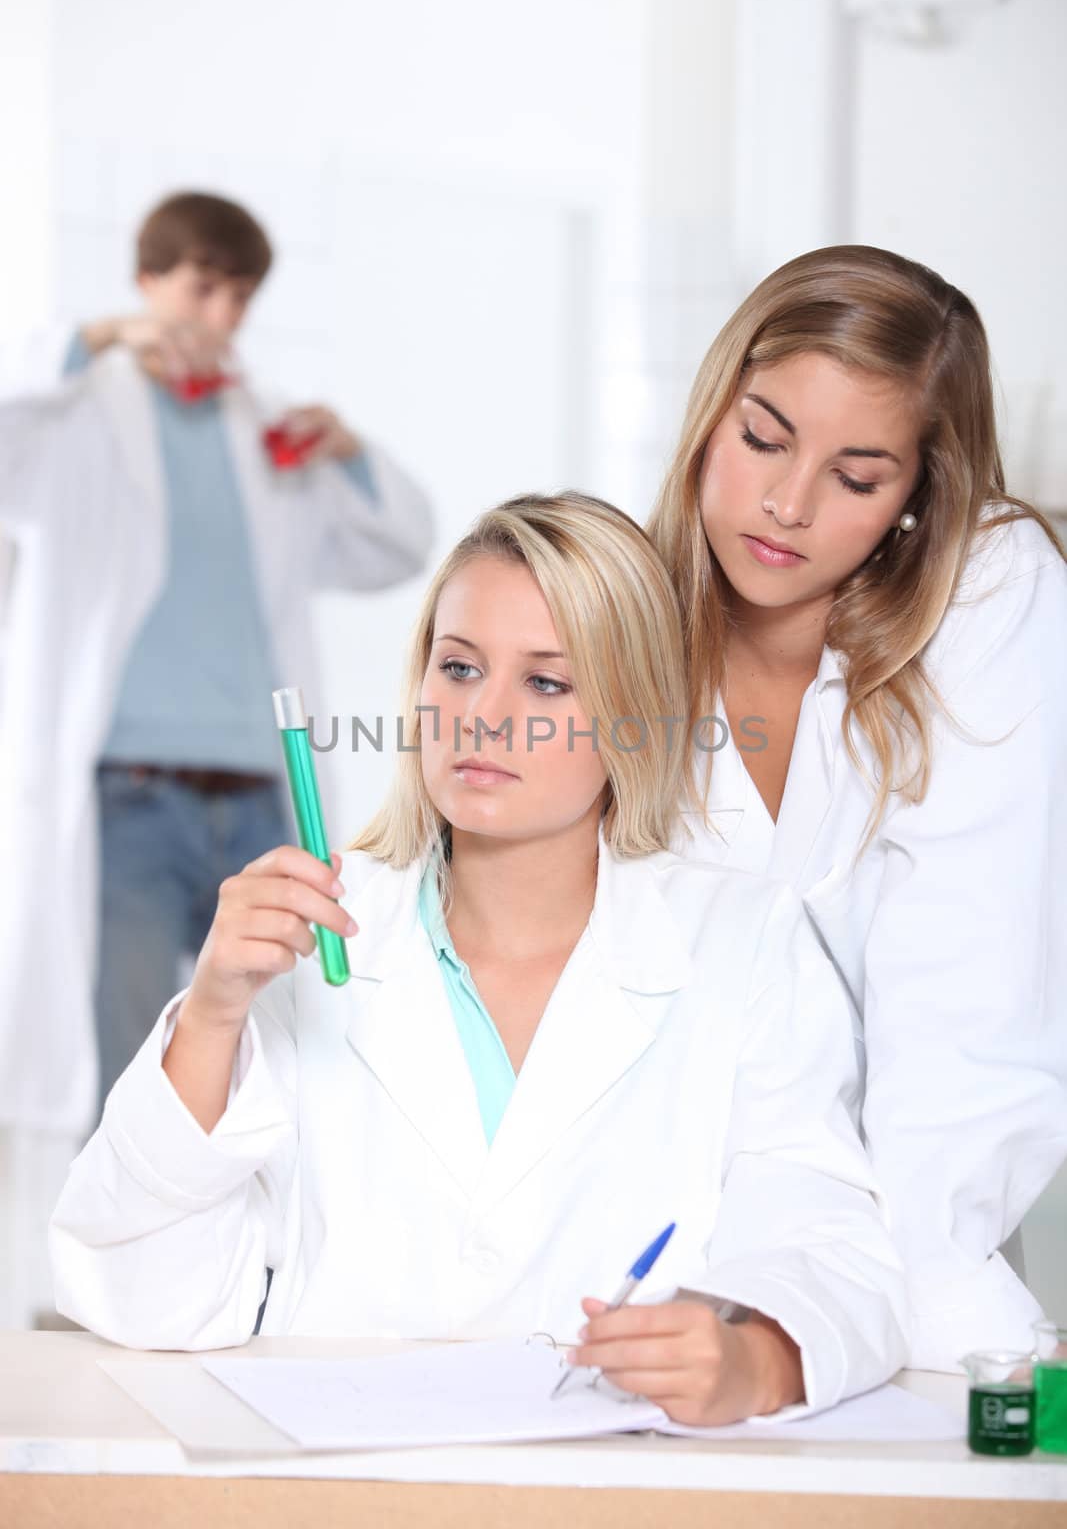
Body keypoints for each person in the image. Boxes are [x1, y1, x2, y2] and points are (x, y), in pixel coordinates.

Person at [50, 493, 907, 1424]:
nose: (484, 717)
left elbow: (833, 1249)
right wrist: (212, 1015)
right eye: (458, 668)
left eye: (547, 683)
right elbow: (146, 1301)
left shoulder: (744, 942)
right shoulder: (314, 944)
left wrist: (758, 1360)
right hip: (343, 1493)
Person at [0, 191, 432, 1325]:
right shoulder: (72, 411)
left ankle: (267, 1277)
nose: (219, 310)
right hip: (127, 794)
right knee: (135, 1049)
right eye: (200, 284)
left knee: (303, 1039)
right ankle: (101, 1292)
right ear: (147, 283)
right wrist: (93, 342)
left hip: (259, 788)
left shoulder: (266, 425)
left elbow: (398, 543)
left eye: (238, 292)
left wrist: (345, 453)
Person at [647, 244, 1067, 1372]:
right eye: (763, 438)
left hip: (905, 1259)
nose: (784, 504)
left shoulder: (990, 588)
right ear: (711, 413)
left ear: (918, 491)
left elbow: (970, 995)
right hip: (661, 1257)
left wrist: (911, 1295)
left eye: (856, 473)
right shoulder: (623, 619)